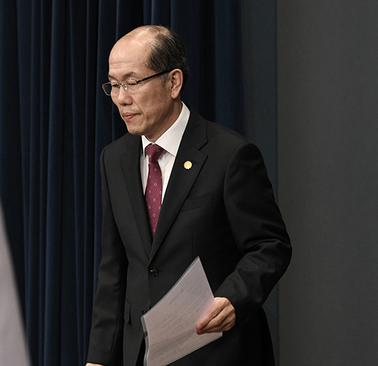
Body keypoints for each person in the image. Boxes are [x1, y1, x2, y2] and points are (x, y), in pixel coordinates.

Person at [85, 25, 292, 366]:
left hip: (216, 352)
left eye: (132, 82)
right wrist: (99, 358)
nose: (121, 97)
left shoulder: (230, 154)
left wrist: (233, 298)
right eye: (114, 84)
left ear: (173, 82)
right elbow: (114, 269)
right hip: (142, 354)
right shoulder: (115, 158)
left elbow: (270, 246)